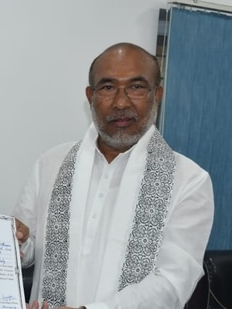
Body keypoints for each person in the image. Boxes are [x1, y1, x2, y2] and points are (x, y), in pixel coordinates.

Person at [13, 42, 214, 309]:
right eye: (108, 87)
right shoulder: (50, 163)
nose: (121, 102)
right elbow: (25, 252)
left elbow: (173, 282)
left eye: (136, 87)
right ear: (90, 96)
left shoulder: (189, 180)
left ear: (157, 95)